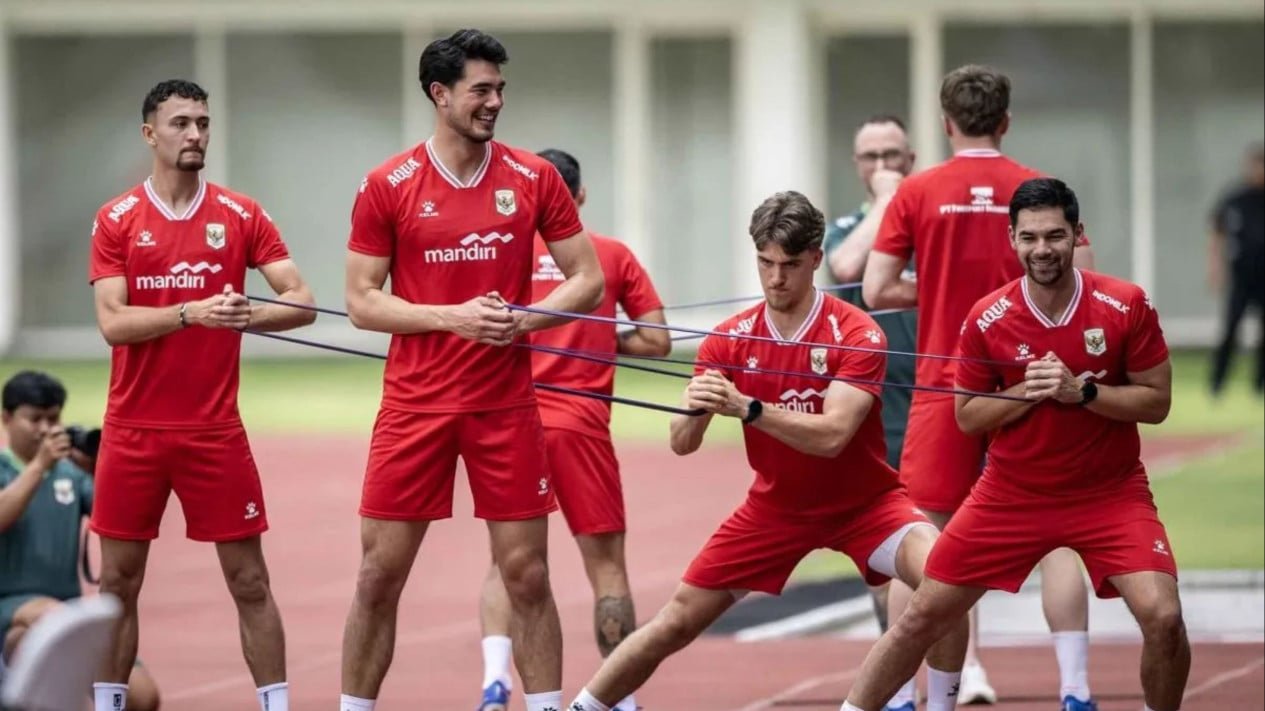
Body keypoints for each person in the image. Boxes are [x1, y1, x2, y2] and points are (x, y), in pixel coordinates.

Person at [566, 191, 968, 711]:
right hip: (776, 511)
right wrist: (694, 409)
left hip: (865, 505)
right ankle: (581, 707)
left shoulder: (856, 332)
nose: (776, 278)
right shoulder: (728, 340)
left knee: (948, 579)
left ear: (816, 260)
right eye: (765, 263)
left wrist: (749, 408)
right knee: (677, 620)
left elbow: (833, 436)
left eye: (790, 265)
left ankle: (941, 705)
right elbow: (682, 445)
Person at [842, 176, 1189, 711]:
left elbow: (1157, 401)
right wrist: (1027, 390)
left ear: (1078, 233)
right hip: (1010, 495)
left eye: (1054, 235)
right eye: (1029, 238)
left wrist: (1083, 391)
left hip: (1110, 493)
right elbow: (967, 416)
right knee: (920, 616)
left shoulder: (1125, 304)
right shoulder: (987, 317)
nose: (1042, 249)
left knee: (1164, 617)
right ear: (1012, 240)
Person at [339, 30, 605, 711]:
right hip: (414, 407)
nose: (495, 102)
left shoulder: (533, 178)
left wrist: (522, 320)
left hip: (504, 406)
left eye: (500, 90)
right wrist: (451, 317)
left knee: (527, 573)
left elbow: (586, 280)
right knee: (377, 576)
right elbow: (361, 302)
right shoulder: (386, 184)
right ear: (440, 93)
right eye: (481, 90)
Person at [862, 64, 1097, 706]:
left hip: (946, 384)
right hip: (1033, 383)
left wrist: (937, 290)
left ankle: (912, 694)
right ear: (1006, 120)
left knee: (924, 537)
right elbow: (1087, 277)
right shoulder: (1035, 190)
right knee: (1057, 538)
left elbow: (878, 287)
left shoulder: (918, 189)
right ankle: (1075, 689)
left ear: (945, 123)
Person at [88, 79, 317, 711]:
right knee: (118, 582)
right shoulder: (116, 219)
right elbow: (113, 323)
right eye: (181, 124)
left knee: (250, 580)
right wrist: (191, 312)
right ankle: (109, 702)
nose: (195, 135)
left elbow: (301, 302)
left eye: (203, 124)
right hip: (133, 430)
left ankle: (276, 704)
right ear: (149, 134)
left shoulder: (241, 214)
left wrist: (246, 315)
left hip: (214, 432)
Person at [475, 148, 668, 711]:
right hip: (581, 428)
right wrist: (605, 338)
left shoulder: (500, 255)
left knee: (503, 562)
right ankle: (620, 699)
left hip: (513, 425)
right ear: (577, 197)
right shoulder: (610, 256)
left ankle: (494, 684)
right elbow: (657, 341)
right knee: (606, 566)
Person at [823, 114, 920, 710]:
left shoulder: (931, 219)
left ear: (912, 156)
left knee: (952, 543)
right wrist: (887, 202)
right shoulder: (846, 227)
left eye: (892, 155)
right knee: (883, 553)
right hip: (873, 411)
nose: (882, 166)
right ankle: (900, 687)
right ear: (857, 165)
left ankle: (967, 667)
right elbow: (846, 269)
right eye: (870, 156)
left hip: (940, 399)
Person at [0, 372, 159, 710]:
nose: (46, 429)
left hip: (64, 610)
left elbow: (121, 516)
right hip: (9, 606)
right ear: (7, 418)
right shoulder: (6, 468)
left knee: (143, 697)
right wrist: (39, 466)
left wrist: (101, 468)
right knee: (51, 630)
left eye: (53, 418)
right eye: (35, 419)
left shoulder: (70, 474)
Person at [1208, 143, 1264, 397]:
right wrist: (1215, 267)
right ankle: (1217, 384)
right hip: (1241, 278)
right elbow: (1217, 236)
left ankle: (1259, 386)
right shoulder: (1234, 200)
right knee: (1230, 329)